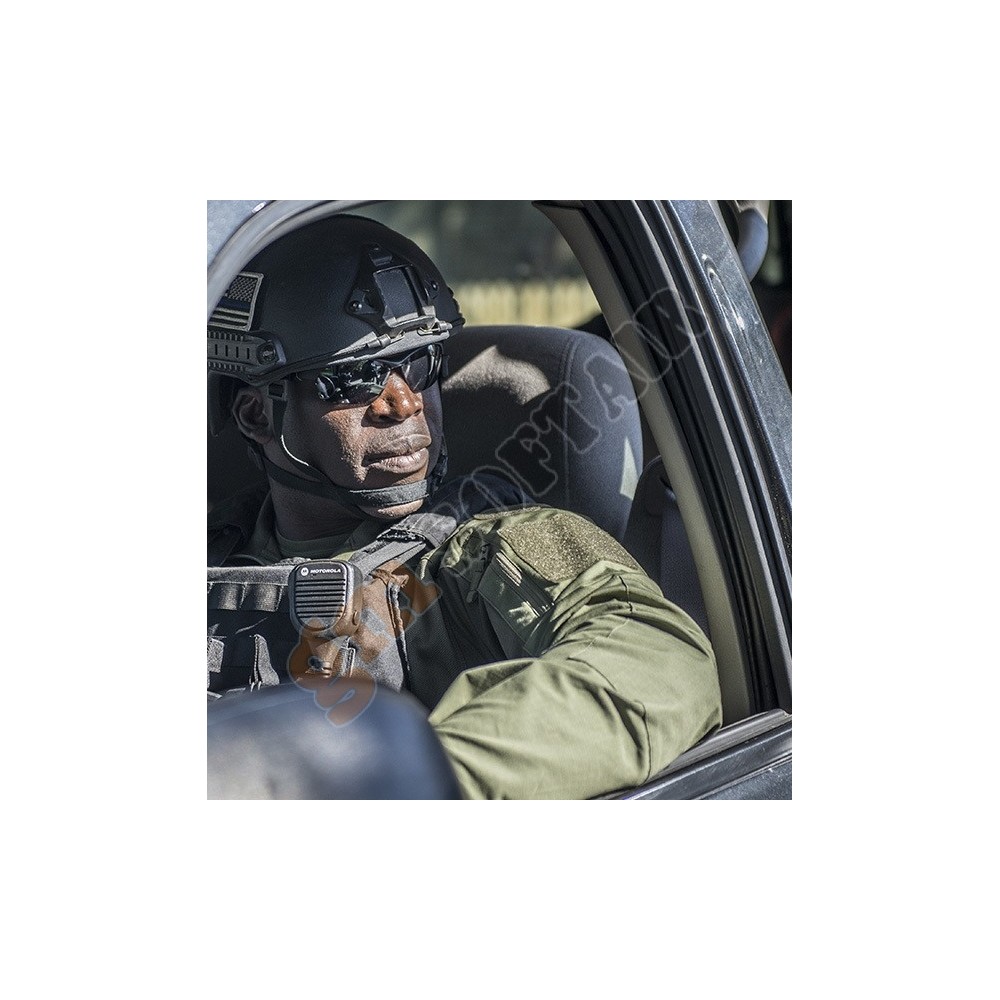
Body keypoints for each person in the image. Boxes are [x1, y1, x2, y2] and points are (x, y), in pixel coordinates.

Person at [207, 213, 722, 799]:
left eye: (421, 364)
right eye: (357, 377)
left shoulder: (493, 546)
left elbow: (658, 662)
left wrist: (407, 781)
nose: (405, 403)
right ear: (256, 414)